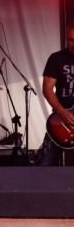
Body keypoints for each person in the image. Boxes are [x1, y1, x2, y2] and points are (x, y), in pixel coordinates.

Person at [39, 23, 74, 166]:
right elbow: (47, 89)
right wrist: (62, 112)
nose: (73, 44)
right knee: (46, 165)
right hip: (60, 121)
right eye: (71, 40)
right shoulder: (56, 58)